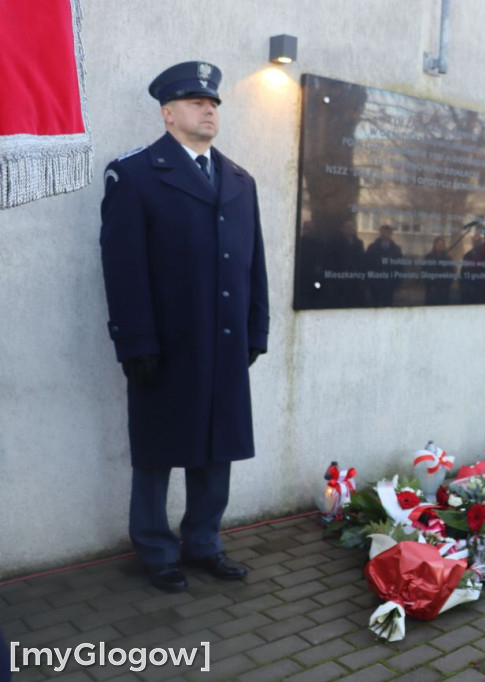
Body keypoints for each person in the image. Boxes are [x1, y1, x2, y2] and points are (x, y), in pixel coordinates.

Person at [100, 61, 269, 593]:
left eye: (213, 102)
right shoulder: (135, 174)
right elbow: (123, 266)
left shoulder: (239, 180)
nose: (209, 110)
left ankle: (203, 542)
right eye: (197, 102)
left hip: (224, 342)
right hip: (167, 344)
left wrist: (256, 330)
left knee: (217, 449)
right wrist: (135, 341)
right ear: (168, 114)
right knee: (157, 450)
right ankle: (155, 549)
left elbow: (254, 264)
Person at [365, 224, 404, 306]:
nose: (384, 234)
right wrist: (367, 284)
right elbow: (367, 266)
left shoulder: (396, 249)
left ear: (391, 234)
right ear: (380, 233)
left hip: (389, 284)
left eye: (387, 232)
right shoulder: (372, 247)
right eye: (383, 232)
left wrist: (398, 284)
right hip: (375, 284)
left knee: (387, 306)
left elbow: (399, 267)